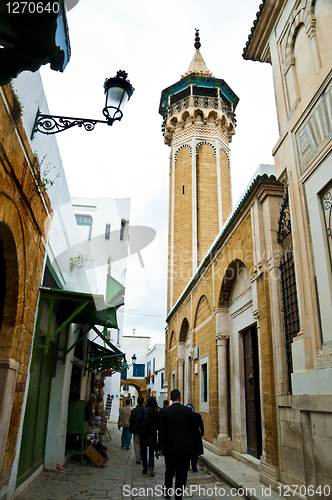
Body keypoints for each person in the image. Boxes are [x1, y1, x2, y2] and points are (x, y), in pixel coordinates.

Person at [158, 389, 195, 499]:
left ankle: (167, 492)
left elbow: (162, 431)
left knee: (169, 471)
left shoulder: (165, 411)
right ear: (179, 397)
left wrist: (160, 446)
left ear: (171, 398)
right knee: (182, 472)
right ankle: (178, 495)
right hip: (185, 447)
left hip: (170, 447)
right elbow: (192, 431)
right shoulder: (188, 411)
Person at [140, 396, 159, 476]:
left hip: (144, 432)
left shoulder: (144, 410)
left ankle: (145, 468)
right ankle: (151, 466)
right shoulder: (156, 411)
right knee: (151, 451)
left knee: (144, 451)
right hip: (152, 432)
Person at [186, 404, 204, 472]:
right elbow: (201, 425)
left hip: (188, 436)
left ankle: (187, 466)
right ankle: (194, 467)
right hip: (196, 436)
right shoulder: (197, 415)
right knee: (195, 453)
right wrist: (202, 433)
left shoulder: (186, 416)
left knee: (188, 453)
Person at [129, 396, 145, 463]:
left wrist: (131, 429)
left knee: (136, 443)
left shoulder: (134, 411)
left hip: (136, 429)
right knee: (143, 444)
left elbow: (131, 421)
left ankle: (138, 458)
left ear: (137, 402)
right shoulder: (145, 410)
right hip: (144, 430)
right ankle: (143, 456)